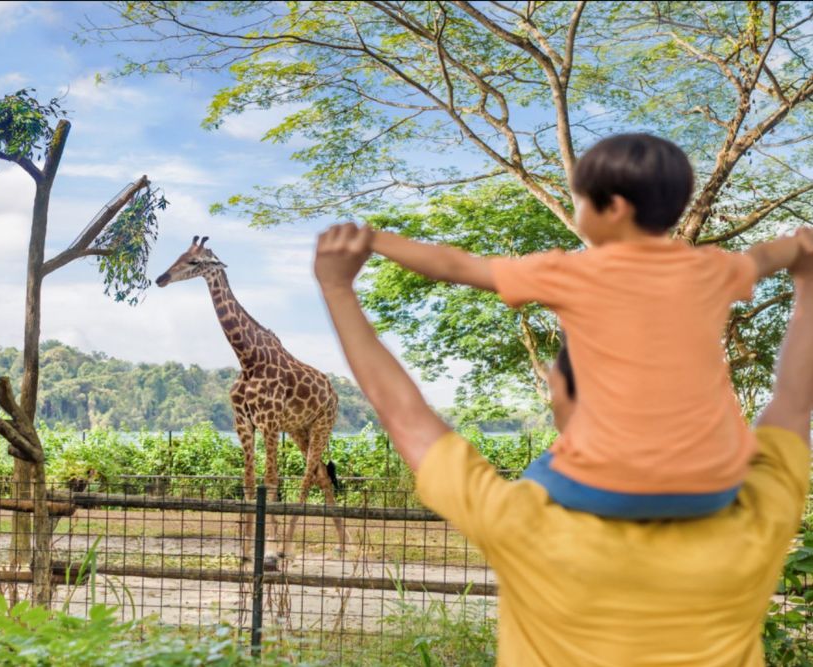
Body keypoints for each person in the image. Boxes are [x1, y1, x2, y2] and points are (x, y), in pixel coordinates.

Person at [314, 222, 811, 666]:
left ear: (562, 394)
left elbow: (405, 417)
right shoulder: (754, 512)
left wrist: (338, 288)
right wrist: (807, 285)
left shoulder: (527, 521)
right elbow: (792, 403)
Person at [371, 133, 813, 519]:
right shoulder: (712, 269)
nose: (576, 209)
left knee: (532, 482)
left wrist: (375, 239)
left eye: (579, 201)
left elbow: (454, 265)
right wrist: (799, 248)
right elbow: (765, 257)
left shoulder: (573, 272)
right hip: (713, 485)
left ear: (615, 207)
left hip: (607, 486)